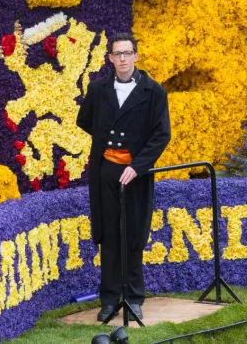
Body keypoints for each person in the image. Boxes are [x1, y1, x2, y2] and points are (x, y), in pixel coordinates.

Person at [76, 32, 171, 322]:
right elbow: (85, 120)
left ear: (136, 56)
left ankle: (133, 297)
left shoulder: (153, 91)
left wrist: (137, 164)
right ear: (110, 58)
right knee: (109, 235)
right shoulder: (98, 89)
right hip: (107, 172)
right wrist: (109, 147)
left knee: (132, 234)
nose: (122, 59)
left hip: (136, 174)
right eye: (117, 54)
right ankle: (108, 299)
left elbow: (161, 134)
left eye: (127, 53)